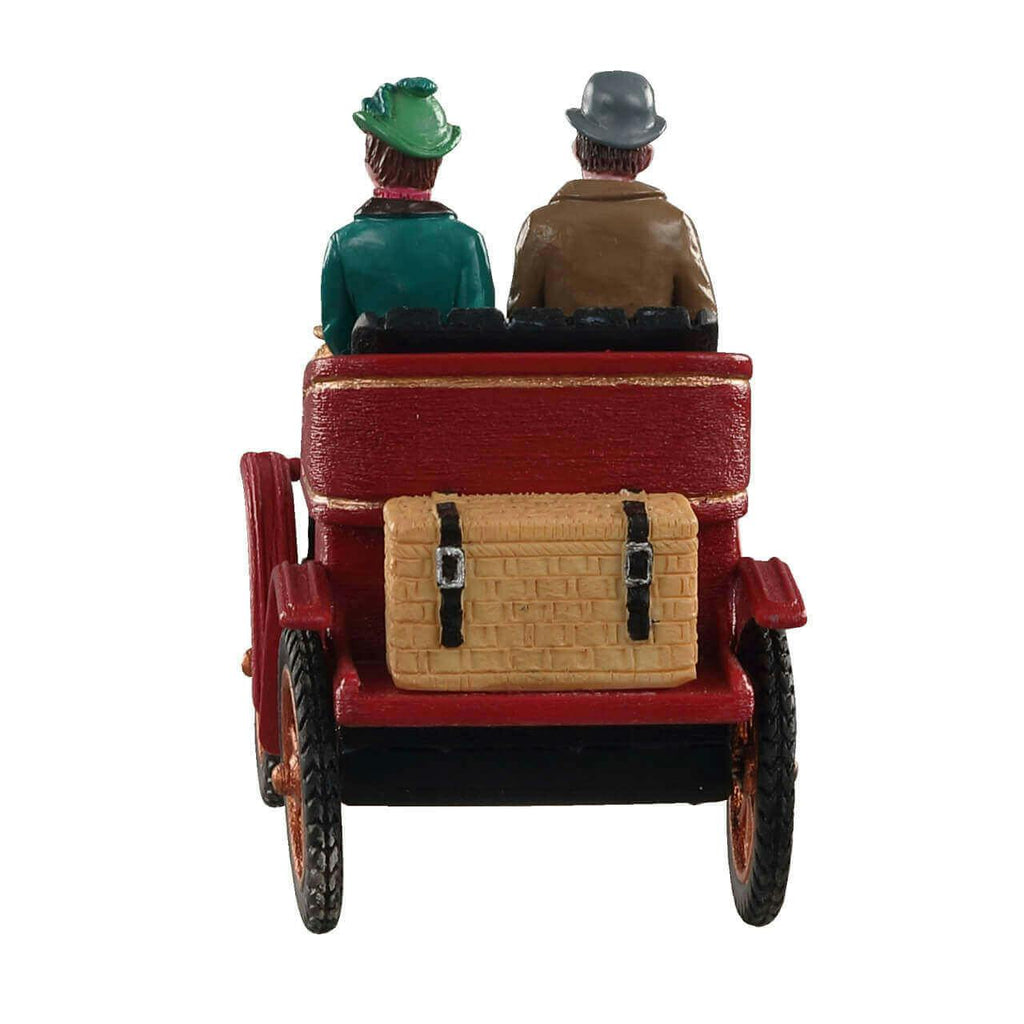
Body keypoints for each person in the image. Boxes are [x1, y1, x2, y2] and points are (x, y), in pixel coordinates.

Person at [508, 71, 716, 320]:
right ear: (647, 158)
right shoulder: (676, 226)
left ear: (577, 150)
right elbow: (704, 322)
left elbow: (519, 322)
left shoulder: (541, 226)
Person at [319, 78, 494, 355]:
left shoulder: (343, 243)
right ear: (436, 162)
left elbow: (337, 334)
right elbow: (481, 330)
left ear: (371, 161)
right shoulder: (468, 242)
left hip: (370, 378)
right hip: (449, 378)